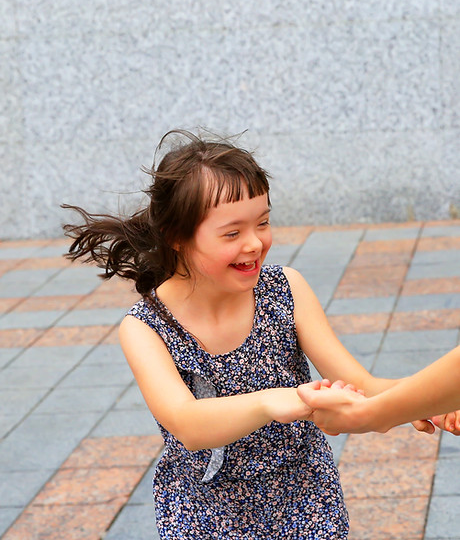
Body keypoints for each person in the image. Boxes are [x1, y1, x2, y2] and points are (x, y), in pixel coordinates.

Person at [62, 129, 454, 540]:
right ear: (175, 237)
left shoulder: (285, 289)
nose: (255, 243)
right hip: (205, 514)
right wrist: (284, 400)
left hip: (306, 499)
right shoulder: (145, 327)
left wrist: (430, 402)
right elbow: (189, 424)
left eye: (263, 222)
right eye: (232, 233)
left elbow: (362, 385)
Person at [297, 346, 460, 436]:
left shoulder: (287, 287)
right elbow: (363, 386)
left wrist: (430, 397)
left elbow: (363, 385)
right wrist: (431, 397)